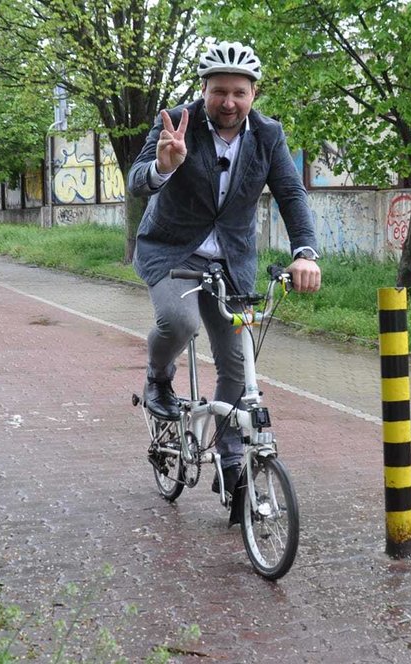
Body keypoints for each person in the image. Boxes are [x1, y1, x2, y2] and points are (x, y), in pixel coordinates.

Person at [128, 40, 322, 511]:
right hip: (172, 250)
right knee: (180, 322)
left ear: (254, 93)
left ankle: (232, 459)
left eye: (239, 92)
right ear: (204, 90)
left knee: (239, 363)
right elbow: (136, 180)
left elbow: (291, 194)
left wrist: (305, 252)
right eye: (219, 91)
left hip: (232, 262)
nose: (229, 102)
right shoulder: (177, 122)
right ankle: (158, 377)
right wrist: (162, 166)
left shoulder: (269, 135)